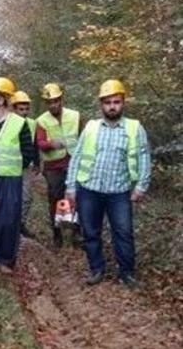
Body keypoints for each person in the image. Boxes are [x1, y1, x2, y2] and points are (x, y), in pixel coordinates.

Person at [65, 79, 151, 288]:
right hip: (89, 189)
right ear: (101, 105)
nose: (112, 106)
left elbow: (144, 157)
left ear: (123, 103)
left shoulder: (134, 128)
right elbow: (77, 157)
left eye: (116, 102)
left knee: (123, 232)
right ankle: (97, 269)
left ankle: (126, 273)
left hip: (119, 192)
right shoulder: (91, 127)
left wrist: (141, 186)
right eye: (107, 102)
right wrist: (71, 186)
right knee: (90, 232)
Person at [0, 77, 38, 275]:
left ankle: (6, 260)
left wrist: (14, 168)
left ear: (1, 100)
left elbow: (28, 152)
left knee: (9, 219)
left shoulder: (19, 123)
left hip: (11, 179)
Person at [36, 83, 81, 248]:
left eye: (56, 101)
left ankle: (77, 233)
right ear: (46, 103)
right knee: (56, 200)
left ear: (61, 100)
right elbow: (40, 142)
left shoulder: (75, 116)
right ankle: (57, 235)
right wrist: (51, 144)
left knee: (76, 199)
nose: (53, 105)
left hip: (74, 163)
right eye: (50, 102)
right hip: (53, 167)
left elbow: (84, 136)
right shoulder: (41, 120)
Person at [11, 90, 39, 238]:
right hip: (10, 167)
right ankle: (11, 226)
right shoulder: (8, 123)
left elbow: (35, 144)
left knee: (27, 197)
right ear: (14, 109)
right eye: (21, 109)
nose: (24, 112)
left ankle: (20, 224)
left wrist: (37, 163)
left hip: (26, 166)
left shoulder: (32, 123)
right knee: (12, 198)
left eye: (26, 109)